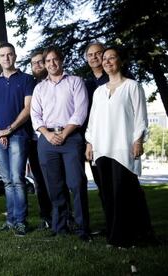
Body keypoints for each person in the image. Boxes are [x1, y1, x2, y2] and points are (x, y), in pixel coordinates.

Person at [85, 47, 155, 248]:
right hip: (102, 149)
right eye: (104, 59)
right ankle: (119, 235)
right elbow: (93, 120)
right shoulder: (99, 92)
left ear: (120, 61)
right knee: (108, 195)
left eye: (111, 58)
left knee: (123, 194)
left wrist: (138, 140)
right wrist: (89, 142)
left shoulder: (133, 86)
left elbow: (140, 117)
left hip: (123, 148)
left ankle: (124, 238)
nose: (106, 62)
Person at [31, 46, 91, 242]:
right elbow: (35, 116)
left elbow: (80, 112)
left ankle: (83, 229)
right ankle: (60, 227)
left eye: (55, 59)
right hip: (47, 140)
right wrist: (47, 134)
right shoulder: (40, 88)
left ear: (61, 60)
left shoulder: (75, 82)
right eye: (47, 61)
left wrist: (65, 133)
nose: (51, 64)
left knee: (76, 183)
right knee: (54, 187)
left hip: (71, 137)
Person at [0, 42, 36, 237]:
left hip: (18, 135)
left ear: (15, 56)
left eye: (9, 54)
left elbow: (28, 108)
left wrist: (9, 129)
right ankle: (11, 219)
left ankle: (21, 221)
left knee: (17, 179)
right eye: (2, 55)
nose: (6, 58)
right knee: (7, 181)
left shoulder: (26, 79)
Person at [83, 42, 109, 234]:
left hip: (116, 139)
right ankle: (112, 225)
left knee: (123, 185)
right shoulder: (86, 83)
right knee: (103, 185)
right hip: (95, 142)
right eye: (90, 55)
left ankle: (136, 226)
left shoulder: (117, 77)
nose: (94, 57)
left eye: (98, 53)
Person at [28, 50, 52, 230]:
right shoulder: (30, 84)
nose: (37, 65)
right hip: (33, 141)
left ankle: (65, 215)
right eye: (33, 63)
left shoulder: (56, 82)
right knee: (39, 181)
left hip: (54, 137)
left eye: (40, 62)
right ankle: (46, 217)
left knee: (59, 179)